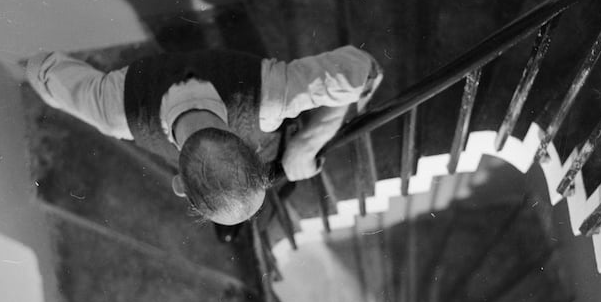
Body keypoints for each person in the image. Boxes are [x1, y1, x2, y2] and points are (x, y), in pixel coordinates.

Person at [25, 46, 382, 225]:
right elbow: (362, 72)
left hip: (273, 142)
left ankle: (230, 224)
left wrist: (307, 143)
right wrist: (306, 144)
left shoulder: (116, 111)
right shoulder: (113, 112)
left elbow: (41, 70)